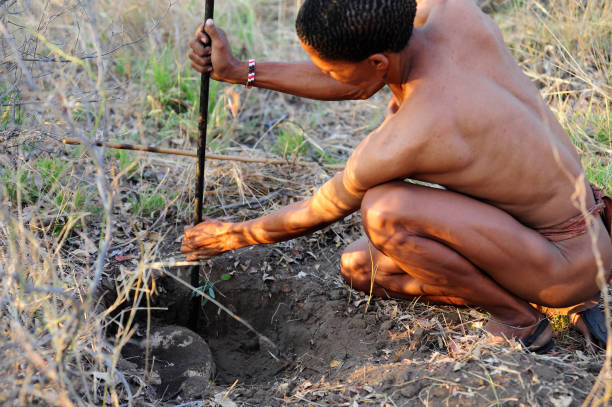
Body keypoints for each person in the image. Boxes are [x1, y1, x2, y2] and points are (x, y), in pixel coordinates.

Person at [182, 0, 612, 353]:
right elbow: (358, 81)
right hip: (549, 232)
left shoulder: (416, 131)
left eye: (331, 70)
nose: (329, 78)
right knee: (360, 268)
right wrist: (240, 71)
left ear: (376, 61)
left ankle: (522, 319)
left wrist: (233, 235)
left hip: (566, 260)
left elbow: (318, 209)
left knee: (384, 211)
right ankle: (538, 298)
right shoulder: (451, 12)